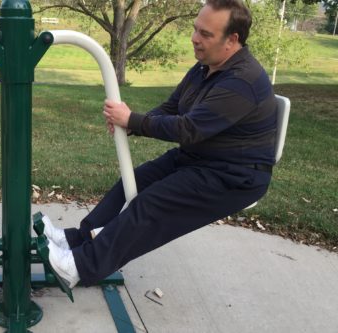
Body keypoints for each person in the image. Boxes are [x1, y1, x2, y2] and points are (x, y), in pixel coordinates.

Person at [44, 0, 278, 288]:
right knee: (134, 181)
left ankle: (81, 266)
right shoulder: (206, 66)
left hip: (235, 175)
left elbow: (188, 128)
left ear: (232, 40)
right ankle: (78, 239)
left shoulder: (243, 82)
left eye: (206, 34)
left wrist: (132, 120)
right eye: (195, 30)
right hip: (200, 158)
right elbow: (172, 107)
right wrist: (131, 125)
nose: (195, 38)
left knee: (151, 205)